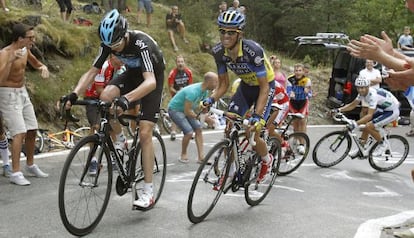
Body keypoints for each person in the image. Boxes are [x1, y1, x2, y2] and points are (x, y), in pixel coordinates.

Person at [61, 9, 165, 209]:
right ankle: (120, 141)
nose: (113, 49)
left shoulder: (141, 43)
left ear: (124, 34)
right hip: (132, 75)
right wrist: (74, 94)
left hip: (151, 80)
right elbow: (92, 72)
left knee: (144, 133)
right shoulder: (108, 44)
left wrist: (126, 99)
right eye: (109, 46)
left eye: (116, 45)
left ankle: (148, 191)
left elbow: (150, 82)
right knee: (106, 97)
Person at [203, 10, 275, 183]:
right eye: (222, 31)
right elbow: (224, 85)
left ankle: (267, 160)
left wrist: (257, 116)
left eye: (231, 32)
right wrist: (211, 99)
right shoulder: (219, 52)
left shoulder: (253, 51)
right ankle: (231, 171)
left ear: (240, 33)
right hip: (245, 87)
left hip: (264, 88)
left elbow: (264, 87)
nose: (225, 36)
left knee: (253, 132)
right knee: (229, 130)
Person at [0, 23, 49, 185]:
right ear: (20, 38)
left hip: (22, 92)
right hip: (7, 94)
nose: (33, 41)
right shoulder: (5, 53)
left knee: (32, 128)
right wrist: (10, 61)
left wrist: (43, 68)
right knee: (18, 132)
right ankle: (15, 172)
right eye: (30, 38)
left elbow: (36, 64)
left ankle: (30, 164)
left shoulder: (26, 51)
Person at [333, 76, 400, 157]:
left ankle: (383, 144)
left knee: (369, 126)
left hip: (392, 111)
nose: (360, 90)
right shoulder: (362, 93)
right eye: (358, 88)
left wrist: (355, 123)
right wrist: (338, 110)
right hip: (383, 109)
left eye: (363, 88)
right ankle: (361, 147)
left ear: (368, 86)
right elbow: (352, 105)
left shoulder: (373, 95)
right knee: (366, 126)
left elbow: (369, 115)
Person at [83, 54, 126, 175]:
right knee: (96, 126)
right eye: (120, 58)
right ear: (112, 57)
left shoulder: (120, 68)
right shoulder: (104, 66)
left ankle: (116, 153)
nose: (122, 61)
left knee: (110, 127)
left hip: (106, 97)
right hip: (93, 97)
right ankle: (92, 160)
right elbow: (99, 89)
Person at [168, 72, 218, 164]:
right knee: (189, 132)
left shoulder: (205, 91)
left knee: (198, 129)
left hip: (187, 109)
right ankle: (183, 154)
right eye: (215, 82)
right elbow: (187, 112)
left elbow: (201, 107)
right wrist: (205, 119)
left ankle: (201, 157)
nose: (216, 85)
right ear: (209, 82)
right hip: (175, 110)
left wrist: (205, 114)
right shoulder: (193, 91)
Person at [286, 63, 311, 155]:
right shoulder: (290, 79)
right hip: (293, 103)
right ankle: (296, 138)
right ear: (294, 71)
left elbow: (309, 93)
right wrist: (290, 93)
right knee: (295, 122)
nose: (298, 72)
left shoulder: (307, 80)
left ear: (303, 71)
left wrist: (307, 92)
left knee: (302, 122)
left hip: (303, 102)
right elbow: (288, 90)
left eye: (300, 70)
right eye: (296, 70)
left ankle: (302, 144)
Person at [167, 55, 193, 140]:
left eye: (182, 62)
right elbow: (170, 87)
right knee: (175, 114)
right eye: (178, 62)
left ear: (184, 63)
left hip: (186, 96)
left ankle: (188, 131)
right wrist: (178, 92)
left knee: (188, 112)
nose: (180, 64)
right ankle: (173, 132)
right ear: (176, 63)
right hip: (176, 97)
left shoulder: (188, 72)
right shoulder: (172, 73)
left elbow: (190, 86)